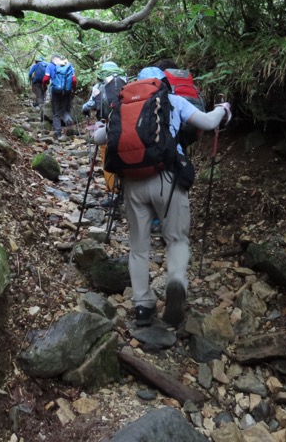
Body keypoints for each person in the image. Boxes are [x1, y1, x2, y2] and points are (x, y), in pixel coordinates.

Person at [92, 66, 232, 327]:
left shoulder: (120, 106)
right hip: (167, 179)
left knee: (138, 248)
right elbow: (209, 122)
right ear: (163, 82)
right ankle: (176, 283)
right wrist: (223, 110)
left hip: (132, 183)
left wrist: (99, 127)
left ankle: (143, 306)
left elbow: (99, 138)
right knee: (177, 239)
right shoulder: (173, 100)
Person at [42, 55, 77, 140]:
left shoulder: (50, 66)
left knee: (56, 112)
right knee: (65, 110)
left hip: (55, 91)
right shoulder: (68, 66)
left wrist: (44, 86)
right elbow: (74, 80)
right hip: (67, 91)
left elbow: (46, 79)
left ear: (52, 60)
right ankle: (69, 126)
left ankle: (57, 132)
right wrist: (73, 90)